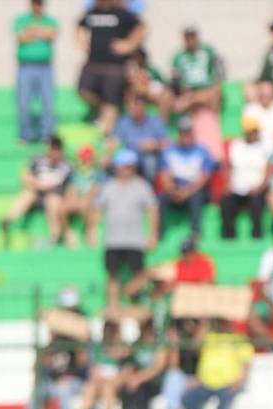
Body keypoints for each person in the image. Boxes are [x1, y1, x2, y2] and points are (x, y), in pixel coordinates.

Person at [95, 149, 158, 308]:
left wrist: (152, 234)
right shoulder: (109, 186)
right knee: (112, 275)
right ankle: (113, 306)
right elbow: (98, 209)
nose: (129, 169)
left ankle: (133, 301)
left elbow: (152, 210)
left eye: (131, 166)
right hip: (113, 240)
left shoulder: (141, 186)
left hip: (134, 240)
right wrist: (92, 230)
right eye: (125, 166)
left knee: (140, 275)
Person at [76, 0, 146, 134]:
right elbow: (79, 27)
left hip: (115, 67)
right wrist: (83, 44)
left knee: (111, 101)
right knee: (83, 91)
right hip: (93, 64)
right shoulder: (93, 13)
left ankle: (106, 134)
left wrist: (129, 44)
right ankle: (102, 111)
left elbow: (141, 28)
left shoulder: (123, 14)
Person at [181, 318, 254, 409]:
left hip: (227, 385)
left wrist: (239, 381)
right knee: (186, 398)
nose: (221, 323)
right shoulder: (209, 336)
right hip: (205, 383)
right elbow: (195, 345)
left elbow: (246, 364)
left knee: (225, 401)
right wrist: (205, 322)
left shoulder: (240, 339)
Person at [2, 135, 72, 246]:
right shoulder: (38, 160)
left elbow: (70, 188)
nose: (54, 153)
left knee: (52, 201)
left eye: (57, 150)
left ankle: (54, 236)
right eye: (52, 149)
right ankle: (9, 218)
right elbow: (24, 177)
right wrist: (38, 185)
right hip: (37, 192)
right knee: (28, 194)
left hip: (55, 197)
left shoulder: (68, 166)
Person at [158, 116, 216, 236]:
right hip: (176, 187)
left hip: (195, 189)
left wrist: (188, 191)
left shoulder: (202, 151)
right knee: (161, 198)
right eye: (182, 133)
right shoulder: (169, 151)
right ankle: (158, 233)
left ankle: (196, 232)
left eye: (188, 133)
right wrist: (172, 190)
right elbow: (165, 174)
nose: (185, 136)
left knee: (196, 197)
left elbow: (204, 178)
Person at [221, 116, 273, 241]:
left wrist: (259, 188)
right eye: (251, 131)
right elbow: (229, 168)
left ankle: (256, 236)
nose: (253, 134)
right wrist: (228, 184)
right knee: (226, 201)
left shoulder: (266, 146)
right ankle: (229, 237)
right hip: (238, 189)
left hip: (257, 190)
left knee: (256, 203)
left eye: (255, 131)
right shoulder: (236, 146)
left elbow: (270, 170)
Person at [14, 0, 57, 145]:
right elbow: (21, 37)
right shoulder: (21, 19)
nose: (37, 6)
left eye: (39, 3)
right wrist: (41, 32)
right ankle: (25, 135)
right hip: (26, 67)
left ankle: (47, 135)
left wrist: (32, 31)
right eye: (35, 3)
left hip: (45, 67)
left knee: (48, 102)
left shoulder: (50, 20)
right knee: (24, 103)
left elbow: (52, 35)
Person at [120, 318, 167, 409]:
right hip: (138, 381)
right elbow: (130, 363)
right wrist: (130, 379)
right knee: (126, 392)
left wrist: (138, 379)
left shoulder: (160, 345)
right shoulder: (137, 344)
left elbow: (157, 368)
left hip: (154, 381)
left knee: (141, 393)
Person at [109, 92, 167, 182]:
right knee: (114, 160)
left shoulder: (155, 122)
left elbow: (167, 144)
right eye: (135, 105)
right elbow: (115, 140)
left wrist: (154, 145)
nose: (137, 109)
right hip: (129, 157)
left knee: (150, 161)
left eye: (140, 105)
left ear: (145, 107)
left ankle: (148, 188)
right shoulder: (124, 122)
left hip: (147, 157)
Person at [171, 25, 221, 116]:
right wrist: (181, 89)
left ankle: (214, 124)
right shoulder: (178, 57)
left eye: (192, 36)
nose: (190, 40)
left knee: (214, 94)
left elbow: (219, 69)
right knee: (178, 102)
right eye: (188, 37)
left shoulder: (207, 51)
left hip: (206, 89)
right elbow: (175, 79)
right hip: (188, 91)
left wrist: (216, 84)